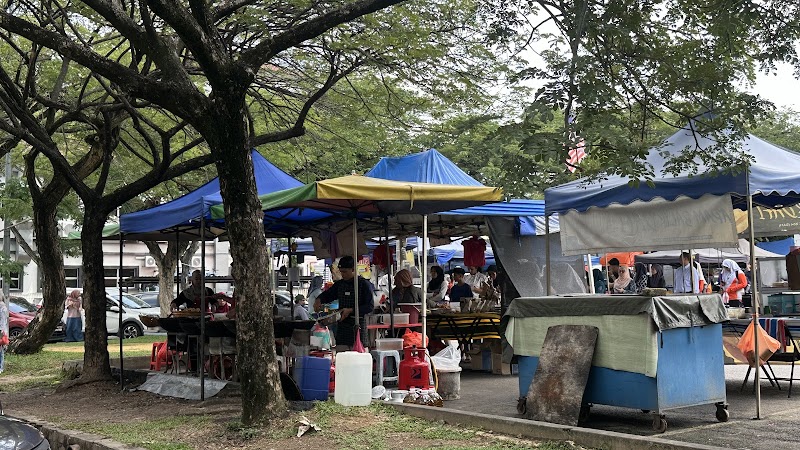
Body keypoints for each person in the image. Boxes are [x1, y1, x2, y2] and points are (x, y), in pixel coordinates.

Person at [314, 255, 373, 350]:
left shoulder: (364, 285)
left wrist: (351, 310)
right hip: (342, 329)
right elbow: (328, 295)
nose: (343, 275)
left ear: (353, 269)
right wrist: (319, 300)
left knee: (358, 360)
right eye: (341, 272)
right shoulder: (339, 285)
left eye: (345, 272)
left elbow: (369, 307)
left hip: (358, 328)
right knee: (342, 357)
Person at [0, 294, 7, 373]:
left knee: (0, 349)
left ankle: (1, 367)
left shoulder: (2, 308)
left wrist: (2, 332)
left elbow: (2, 321)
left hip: (1, 330)